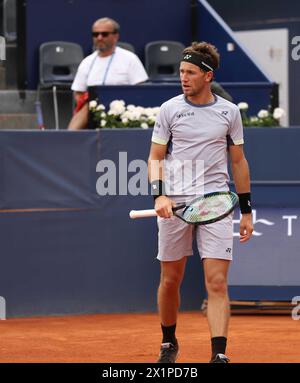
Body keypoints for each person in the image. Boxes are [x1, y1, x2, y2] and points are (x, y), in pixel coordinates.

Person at [148, 41, 253, 363]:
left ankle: (219, 354)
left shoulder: (229, 112)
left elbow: (238, 162)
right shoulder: (169, 109)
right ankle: (168, 342)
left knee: (217, 281)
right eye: (181, 71)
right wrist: (160, 194)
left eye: (190, 72)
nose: (183, 77)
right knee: (171, 279)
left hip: (215, 204)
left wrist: (246, 209)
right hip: (175, 205)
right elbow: (155, 157)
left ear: (207, 75)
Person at [68, 17, 148, 130]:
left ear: (116, 36)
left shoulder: (130, 59)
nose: (99, 38)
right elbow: (78, 93)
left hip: (123, 110)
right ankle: (69, 139)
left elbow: (141, 90)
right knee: (86, 106)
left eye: (104, 34)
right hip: (94, 111)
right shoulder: (87, 62)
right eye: (95, 34)